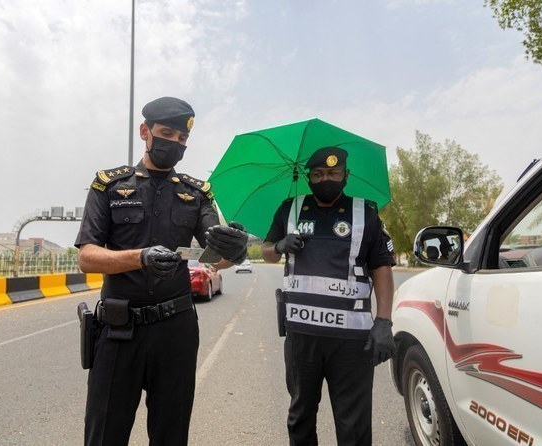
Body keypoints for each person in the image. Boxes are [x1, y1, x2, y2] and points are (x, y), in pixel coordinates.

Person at [75, 96, 248, 446]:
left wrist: (236, 251)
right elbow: (88, 257)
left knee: (171, 435)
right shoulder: (108, 186)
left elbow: (214, 256)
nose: (175, 143)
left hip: (176, 332)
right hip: (118, 331)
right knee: (104, 433)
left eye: (182, 139)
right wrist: (139, 257)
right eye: (167, 133)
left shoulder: (196, 193)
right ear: (145, 132)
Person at [261, 146, 396, 446]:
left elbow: (382, 268)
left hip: (352, 341)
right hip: (302, 337)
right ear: (308, 177)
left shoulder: (366, 213)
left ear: (346, 175)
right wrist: (280, 246)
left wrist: (384, 321)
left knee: (354, 424)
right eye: (319, 174)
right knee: (300, 417)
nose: (326, 179)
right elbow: (266, 252)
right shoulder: (290, 209)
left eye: (333, 173)